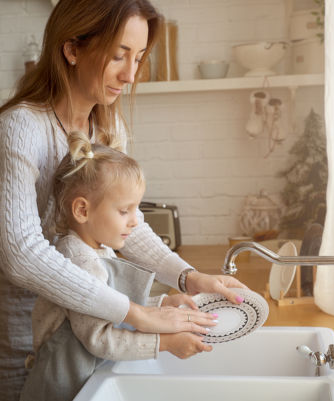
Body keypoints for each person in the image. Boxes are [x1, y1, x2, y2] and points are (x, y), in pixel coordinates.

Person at [0, 1, 246, 400]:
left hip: (76, 325)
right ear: (72, 48)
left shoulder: (107, 128)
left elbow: (128, 223)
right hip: (7, 329)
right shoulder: (20, 127)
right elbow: (22, 253)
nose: (129, 75)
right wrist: (135, 313)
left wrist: (188, 277)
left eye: (139, 58)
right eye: (118, 56)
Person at [20, 132, 214, 401]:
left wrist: (162, 304)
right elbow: (101, 338)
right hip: (62, 389)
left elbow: (112, 305)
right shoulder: (80, 260)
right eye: (125, 211)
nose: (135, 221)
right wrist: (167, 343)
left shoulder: (98, 247)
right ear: (82, 211)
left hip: (87, 382)